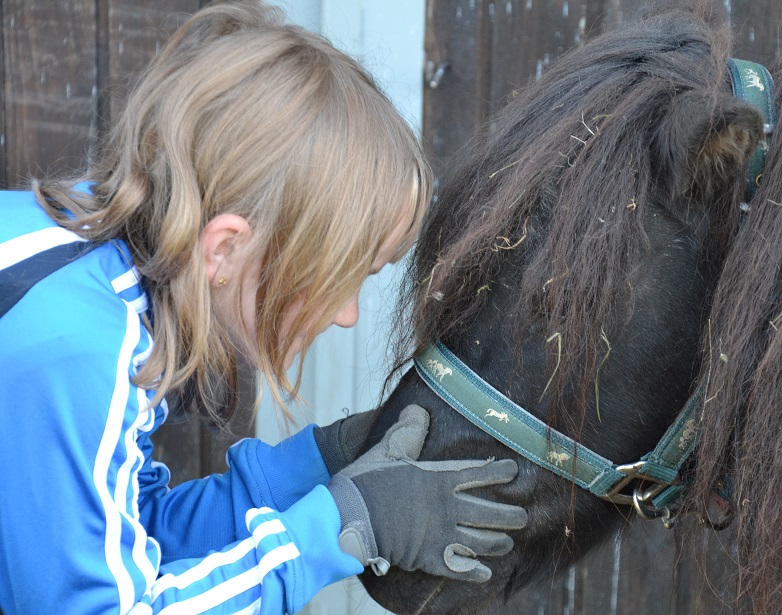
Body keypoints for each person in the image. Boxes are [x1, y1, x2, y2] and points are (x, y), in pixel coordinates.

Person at [0, 2, 527, 613]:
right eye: (337, 276)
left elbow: (133, 537)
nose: (347, 314)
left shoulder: (80, 268)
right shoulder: (79, 349)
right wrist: (345, 530)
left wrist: (318, 466)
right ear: (225, 248)